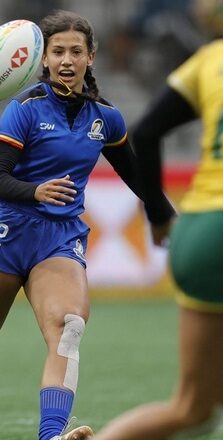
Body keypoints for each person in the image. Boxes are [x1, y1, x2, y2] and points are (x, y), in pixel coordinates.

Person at [0, 10, 174, 440]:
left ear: (90, 57)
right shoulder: (22, 109)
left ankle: (51, 434)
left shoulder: (106, 118)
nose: (66, 59)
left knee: (69, 327)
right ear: (42, 59)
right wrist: (36, 190)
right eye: (57, 51)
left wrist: (162, 212)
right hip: (5, 234)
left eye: (75, 51)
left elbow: (135, 174)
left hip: (58, 240)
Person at [93, 0, 223, 438]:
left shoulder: (208, 61)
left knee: (192, 407)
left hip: (200, 230)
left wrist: (158, 216)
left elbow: (146, 132)